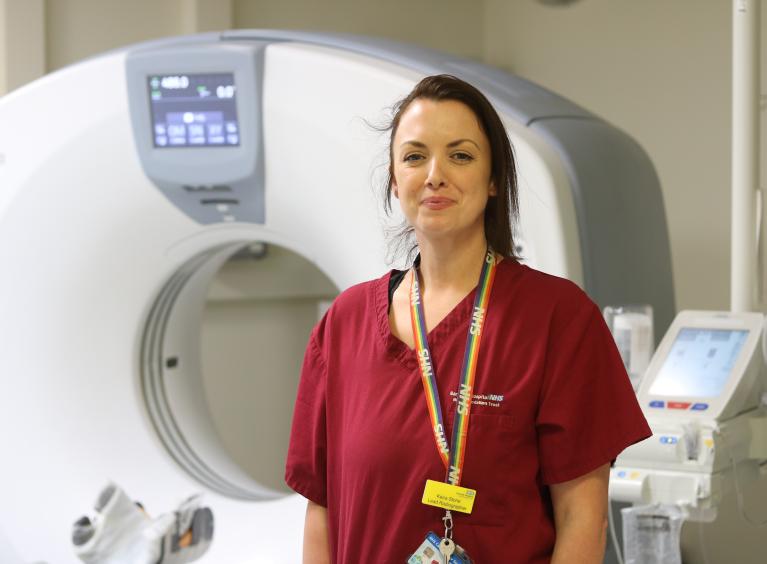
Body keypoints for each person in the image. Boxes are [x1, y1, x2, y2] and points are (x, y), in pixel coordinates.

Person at [285, 74, 651, 563]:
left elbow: (582, 519)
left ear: (495, 178)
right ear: (396, 181)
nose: (435, 174)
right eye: (414, 157)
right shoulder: (345, 322)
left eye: (460, 155)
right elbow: (321, 510)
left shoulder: (558, 319)